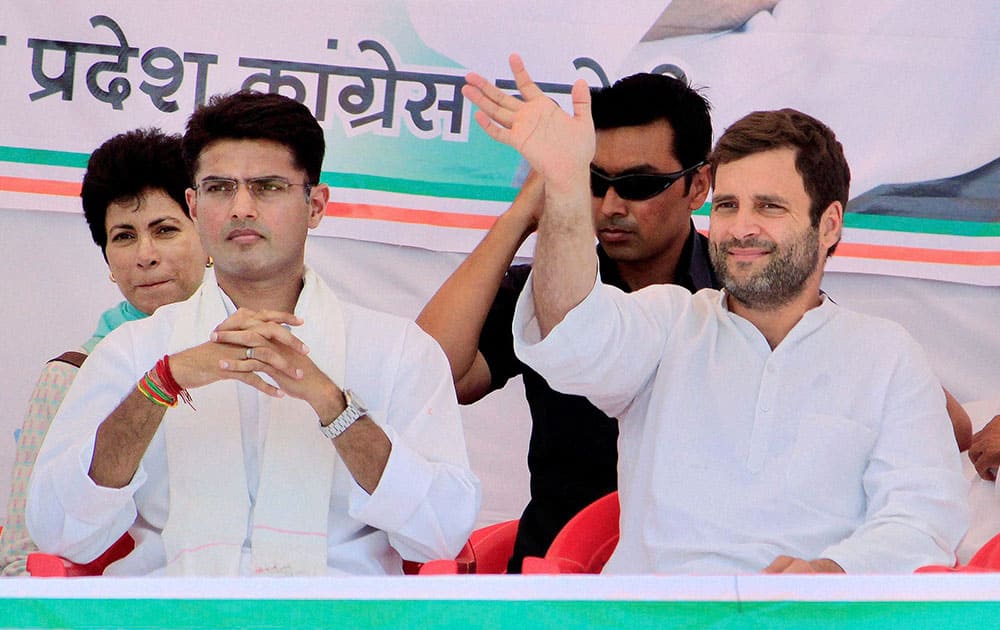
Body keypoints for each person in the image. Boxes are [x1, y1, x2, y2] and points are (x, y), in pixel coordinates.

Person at [461, 54, 967, 573]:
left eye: (769, 207)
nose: (740, 228)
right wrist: (566, 187)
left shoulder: (885, 353)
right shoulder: (669, 323)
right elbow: (572, 332)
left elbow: (923, 521)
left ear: (829, 224)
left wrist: (830, 574)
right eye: (727, 206)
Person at [26, 92, 480, 576]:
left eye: (267, 187)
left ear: (316, 205)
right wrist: (163, 382)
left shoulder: (397, 351)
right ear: (195, 207)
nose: (241, 208)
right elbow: (59, 531)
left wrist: (332, 404)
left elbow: (440, 535)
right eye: (220, 188)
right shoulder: (134, 352)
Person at [417, 72, 716, 571]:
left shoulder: (742, 296)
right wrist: (526, 211)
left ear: (698, 185)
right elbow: (426, 372)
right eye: (595, 182)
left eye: (639, 185)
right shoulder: (545, 290)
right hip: (552, 575)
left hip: (687, 582)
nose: (612, 206)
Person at [0, 129, 208, 576]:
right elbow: (22, 558)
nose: (145, 255)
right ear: (108, 261)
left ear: (209, 234)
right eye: (124, 237)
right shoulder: (73, 375)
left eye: (165, 230)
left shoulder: (258, 352)